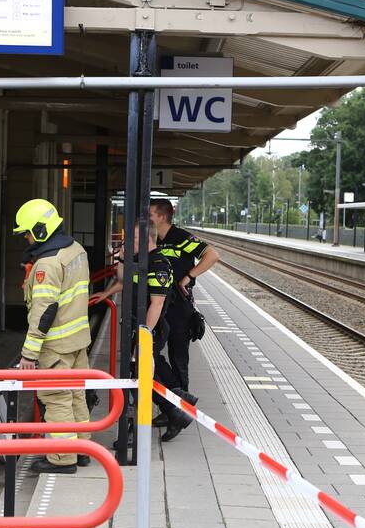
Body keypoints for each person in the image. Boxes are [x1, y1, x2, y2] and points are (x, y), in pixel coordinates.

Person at [14, 199, 92, 474]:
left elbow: (43, 312)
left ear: (40, 230)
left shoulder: (47, 264)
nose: (26, 237)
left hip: (55, 344)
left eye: (28, 232)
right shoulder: (76, 250)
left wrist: (28, 354)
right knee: (77, 396)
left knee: (56, 399)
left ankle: (62, 458)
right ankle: (83, 450)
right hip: (78, 339)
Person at [95, 222, 193, 442]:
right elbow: (124, 281)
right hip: (137, 326)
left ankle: (137, 428)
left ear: (147, 239)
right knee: (148, 372)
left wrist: (144, 338)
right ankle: (178, 407)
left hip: (150, 328)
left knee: (138, 376)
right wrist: (121, 261)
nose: (129, 242)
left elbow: (157, 304)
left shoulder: (158, 264)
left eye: (134, 238)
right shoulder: (141, 260)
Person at [149, 198, 219, 425]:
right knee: (153, 355)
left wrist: (189, 276)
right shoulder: (153, 239)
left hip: (179, 306)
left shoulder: (180, 238)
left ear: (162, 216)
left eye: (150, 214)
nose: (147, 218)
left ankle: (181, 411)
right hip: (159, 305)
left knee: (178, 358)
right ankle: (173, 406)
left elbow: (212, 255)